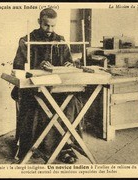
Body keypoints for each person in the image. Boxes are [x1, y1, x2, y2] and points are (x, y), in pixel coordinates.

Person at [11, 8, 83, 164]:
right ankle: (39, 147)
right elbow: (18, 66)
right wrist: (37, 66)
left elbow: (67, 62)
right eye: (46, 25)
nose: (50, 30)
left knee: (73, 103)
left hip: (57, 88)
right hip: (34, 89)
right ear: (39, 22)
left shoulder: (60, 40)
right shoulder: (26, 40)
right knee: (38, 105)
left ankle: (64, 147)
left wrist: (67, 64)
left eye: (53, 26)